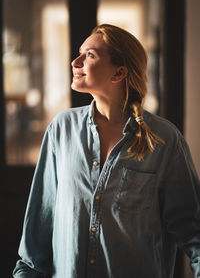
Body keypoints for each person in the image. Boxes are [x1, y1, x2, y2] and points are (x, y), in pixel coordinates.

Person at [13, 23, 200, 278]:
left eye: (89, 55)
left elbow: (193, 231)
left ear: (119, 73)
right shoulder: (62, 129)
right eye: (80, 52)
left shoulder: (165, 140)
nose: (75, 61)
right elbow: (39, 227)